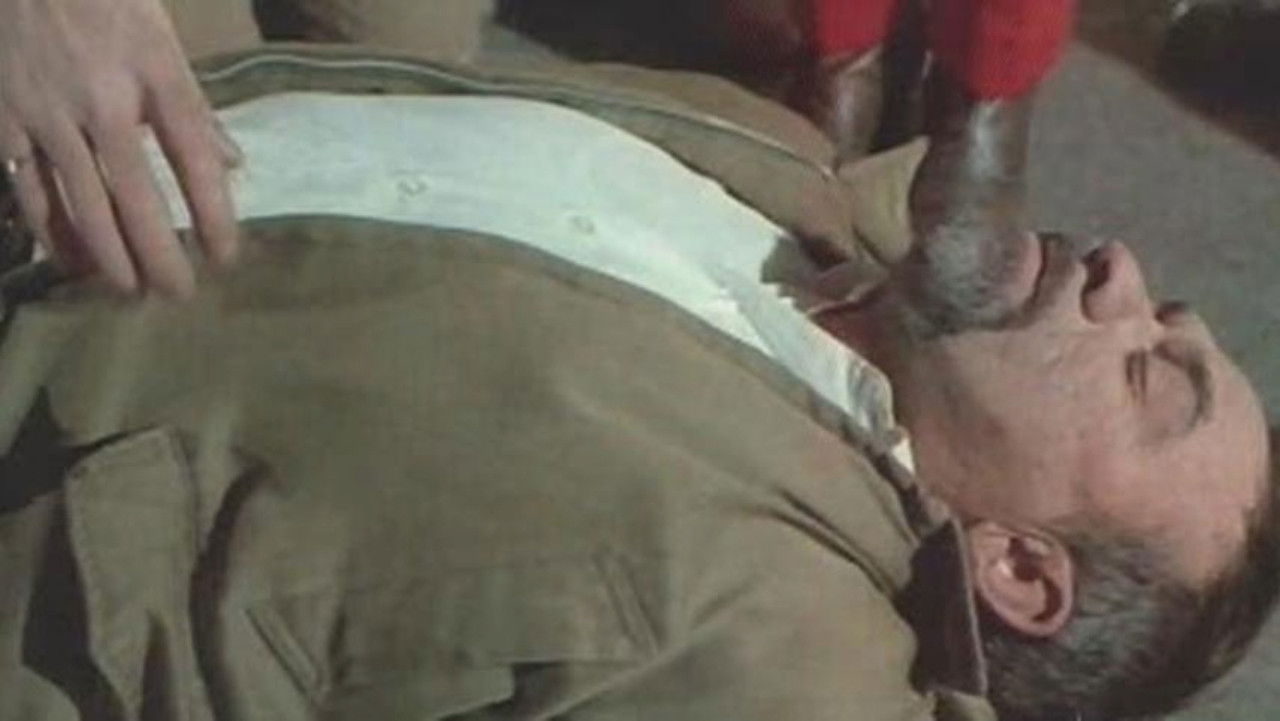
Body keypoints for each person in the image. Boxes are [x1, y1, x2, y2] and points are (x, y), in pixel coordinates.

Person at [0, 4, 1276, 721]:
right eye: (1163, 311)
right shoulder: (815, 214)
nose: (1119, 274)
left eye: (1147, 376)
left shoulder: (768, 641)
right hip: (158, 89)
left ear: (1015, 568)